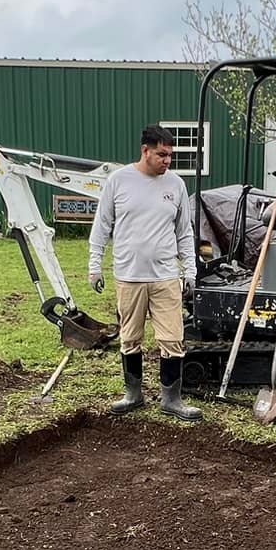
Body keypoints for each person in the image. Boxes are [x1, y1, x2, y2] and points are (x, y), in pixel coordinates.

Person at [89, 124, 200, 422]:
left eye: (170, 155)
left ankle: (171, 400)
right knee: (130, 338)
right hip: (129, 276)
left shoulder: (176, 185)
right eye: (162, 155)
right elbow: (101, 226)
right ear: (145, 151)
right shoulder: (118, 181)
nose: (168, 161)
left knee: (173, 339)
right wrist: (94, 266)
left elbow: (184, 232)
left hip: (165, 276)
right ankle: (133, 395)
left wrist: (190, 270)